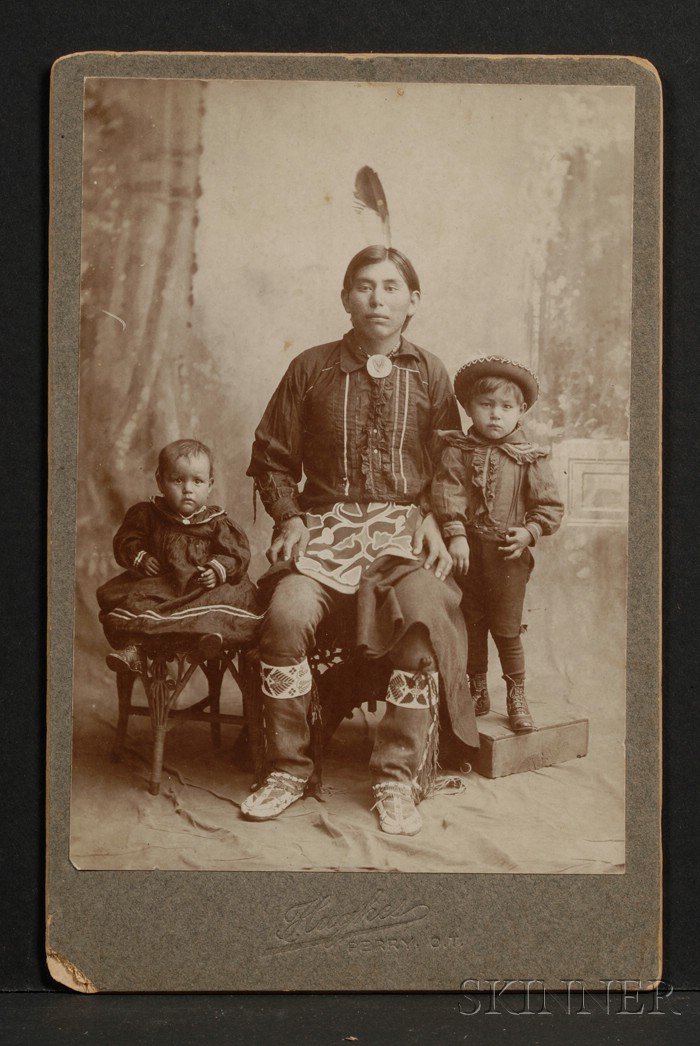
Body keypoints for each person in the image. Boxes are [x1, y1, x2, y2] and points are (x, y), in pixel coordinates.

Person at [243, 245, 478, 837]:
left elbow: (450, 460)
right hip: (323, 533)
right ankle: (287, 769)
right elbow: (272, 458)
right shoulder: (311, 368)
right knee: (287, 617)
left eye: (392, 287)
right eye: (365, 286)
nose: (379, 298)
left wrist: (432, 515)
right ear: (345, 297)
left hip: (405, 534)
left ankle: (397, 778)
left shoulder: (430, 372)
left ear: (413, 300)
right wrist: (290, 519)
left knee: (422, 622)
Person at [431, 357, 564, 733]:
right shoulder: (458, 449)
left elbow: (549, 506)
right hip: (468, 554)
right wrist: (456, 534)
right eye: (486, 405)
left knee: (505, 629)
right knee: (471, 622)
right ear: (469, 407)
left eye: (506, 407)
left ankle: (516, 694)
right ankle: (477, 689)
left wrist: (529, 532)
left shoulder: (529, 458)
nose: (495, 415)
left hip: (508, 556)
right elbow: (447, 491)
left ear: (521, 411)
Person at [97, 438, 261, 669]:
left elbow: (236, 554)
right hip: (163, 586)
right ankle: (135, 650)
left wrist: (217, 570)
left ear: (210, 485)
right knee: (136, 601)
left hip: (202, 589)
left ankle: (203, 642)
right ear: (160, 481)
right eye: (177, 480)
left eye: (197, 481)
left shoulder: (217, 523)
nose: (188, 489)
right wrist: (141, 557)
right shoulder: (148, 514)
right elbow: (126, 540)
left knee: (229, 598)